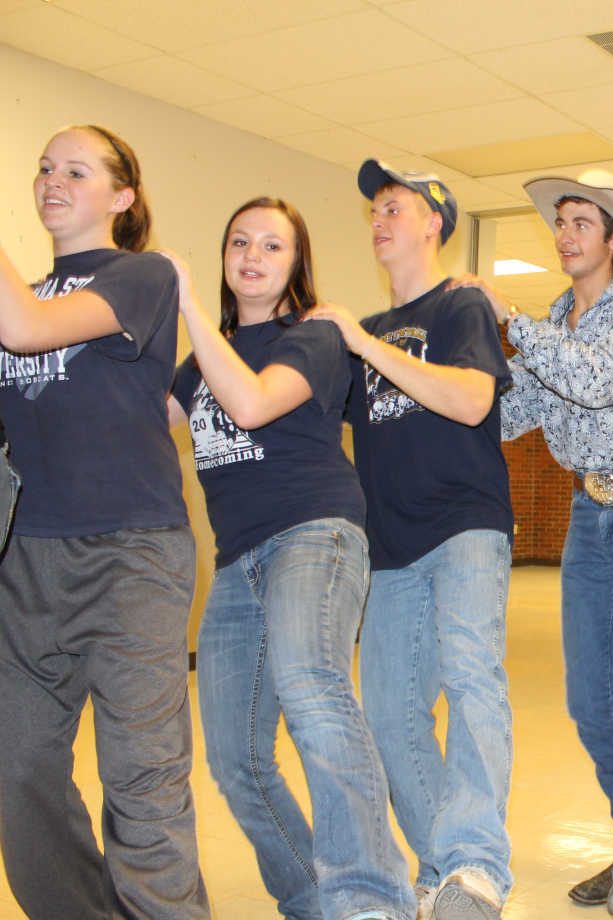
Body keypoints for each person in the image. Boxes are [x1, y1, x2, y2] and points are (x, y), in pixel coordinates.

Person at [167, 197, 414, 920]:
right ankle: (311, 901)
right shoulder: (198, 359)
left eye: (272, 246)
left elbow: (247, 404)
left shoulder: (311, 339)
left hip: (315, 535)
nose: (252, 256)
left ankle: (371, 901)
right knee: (236, 760)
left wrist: (184, 310)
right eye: (239, 241)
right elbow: (139, 422)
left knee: (312, 689)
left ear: (296, 265)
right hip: (237, 559)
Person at [465, 169, 613, 920]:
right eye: (560, 223)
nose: (565, 234)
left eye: (581, 223)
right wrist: (427, 394)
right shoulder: (558, 319)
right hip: (587, 514)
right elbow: (510, 412)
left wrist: (510, 320)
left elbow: (597, 379)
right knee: (590, 699)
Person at [0, 125, 210, 917]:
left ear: (122, 196)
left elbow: (24, 331)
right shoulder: (20, 291)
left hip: (132, 555)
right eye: (45, 168)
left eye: (76, 171)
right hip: (26, 562)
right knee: (17, 772)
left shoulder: (142, 274)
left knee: (142, 779)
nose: (52, 180)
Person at [306, 161, 515, 920]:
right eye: (373, 211)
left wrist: (364, 345)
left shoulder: (458, 306)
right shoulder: (363, 338)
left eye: (394, 206)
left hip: (464, 527)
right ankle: (447, 874)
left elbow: (470, 399)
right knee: (389, 714)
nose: (380, 220)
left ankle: (478, 864)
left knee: (471, 681)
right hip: (387, 547)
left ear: (434, 221)